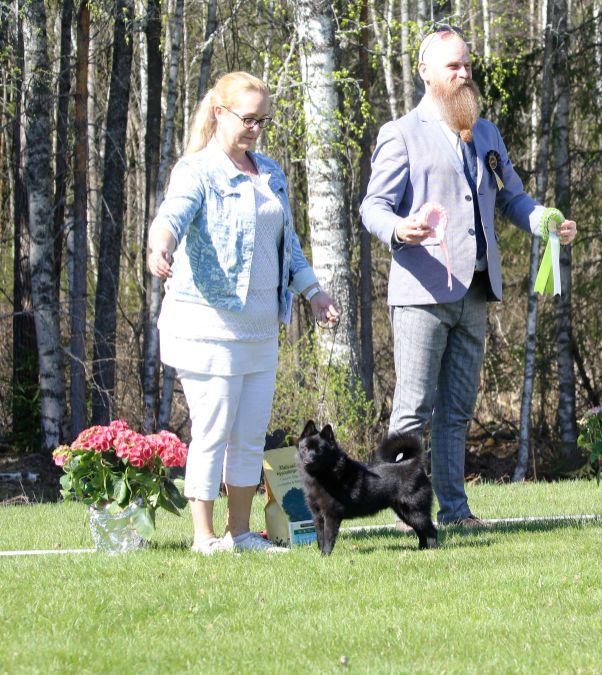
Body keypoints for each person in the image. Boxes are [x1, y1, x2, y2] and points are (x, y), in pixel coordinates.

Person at [360, 27, 577, 526]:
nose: (463, 74)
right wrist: (400, 227)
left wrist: (543, 219)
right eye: (452, 66)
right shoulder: (401, 133)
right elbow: (373, 206)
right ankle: (403, 509)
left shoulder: (485, 132)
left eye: (467, 65)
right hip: (422, 291)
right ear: (425, 72)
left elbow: (511, 197)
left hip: (477, 292)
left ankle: (455, 510)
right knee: (413, 410)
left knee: (456, 413)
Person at [147, 71, 340, 553]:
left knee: (250, 434)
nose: (255, 128)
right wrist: (160, 245)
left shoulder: (271, 172)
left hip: (260, 327)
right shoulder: (197, 171)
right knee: (212, 428)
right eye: (248, 118)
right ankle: (204, 536)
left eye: (262, 120)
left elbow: (288, 245)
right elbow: (172, 215)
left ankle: (240, 533)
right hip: (208, 325)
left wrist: (313, 291)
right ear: (219, 114)